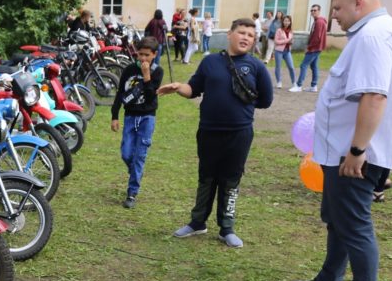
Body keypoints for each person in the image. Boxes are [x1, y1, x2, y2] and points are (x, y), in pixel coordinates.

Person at [289, 0, 392, 281]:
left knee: (355, 227)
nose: (333, 16)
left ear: (359, 2)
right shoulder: (380, 32)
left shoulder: (374, 36)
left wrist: (357, 150)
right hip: (346, 152)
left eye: (337, 8)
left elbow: (374, 96)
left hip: (355, 156)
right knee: (339, 220)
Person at [158, 18, 274, 248]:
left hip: (239, 133)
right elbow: (193, 89)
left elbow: (265, 100)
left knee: (231, 179)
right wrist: (179, 87)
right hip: (209, 131)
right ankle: (197, 222)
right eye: (241, 32)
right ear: (229, 34)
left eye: (251, 35)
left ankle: (226, 228)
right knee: (206, 176)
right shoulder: (210, 62)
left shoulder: (256, 67)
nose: (246, 38)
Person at [110, 37, 165, 208]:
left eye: (147, 55)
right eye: (140, 54)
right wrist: (115, 116)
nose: (143, 58)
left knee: (140, 155)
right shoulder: (129, 69)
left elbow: (150, 97)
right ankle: (135, 171)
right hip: (130, 116)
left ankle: (132, 193)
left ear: (154, 54)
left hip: (147, 117)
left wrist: (147, 76)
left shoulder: (157, 71)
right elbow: (120, 92)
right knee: (126, 153)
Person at [291, 4, 328, 92]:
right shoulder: (317, 21)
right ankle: (314, 86)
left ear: (319, 11)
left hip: (314, 48)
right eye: (311, 10)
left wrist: (309, 47)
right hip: (317, 48)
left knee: (303, 65)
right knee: (314, 66)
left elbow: (316, 38)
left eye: (315, 10)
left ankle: (299, 85)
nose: (313, 12)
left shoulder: (319, 22)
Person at [273, 14, 296, 88]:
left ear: (290, 22)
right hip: (278, 51)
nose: (286, 22)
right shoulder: (279, 30)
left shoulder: (291, 31)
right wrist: (287, 40)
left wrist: (291, 42)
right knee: (278, 67)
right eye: (285, 21)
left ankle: (294, 82)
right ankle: (279, 82)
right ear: (282, 22)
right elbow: (276, 41)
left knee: (291, 67)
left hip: (287, 51)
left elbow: (291, 40)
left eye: (288, 21)